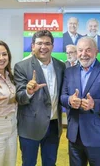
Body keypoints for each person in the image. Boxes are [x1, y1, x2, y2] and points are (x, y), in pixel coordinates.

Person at [60, 37, 100, 166]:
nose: (83, 54)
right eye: (80, 50)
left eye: (88, 50)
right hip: (75, 136)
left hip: (99, 137)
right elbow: (62, 97)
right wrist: (70, 100)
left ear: (96, 52)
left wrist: (95, 104)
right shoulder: (69, 72)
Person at [14, 30, 66, 166]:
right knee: (29, 163)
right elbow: (20, 98)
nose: (44, 47)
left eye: (47, 43)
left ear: (52, 47)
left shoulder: (61, 66)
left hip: (54, 125)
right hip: (30, 126)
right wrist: (29, 92)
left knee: (50, 162)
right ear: (32, 46)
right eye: (39, 43)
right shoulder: (21, 67)